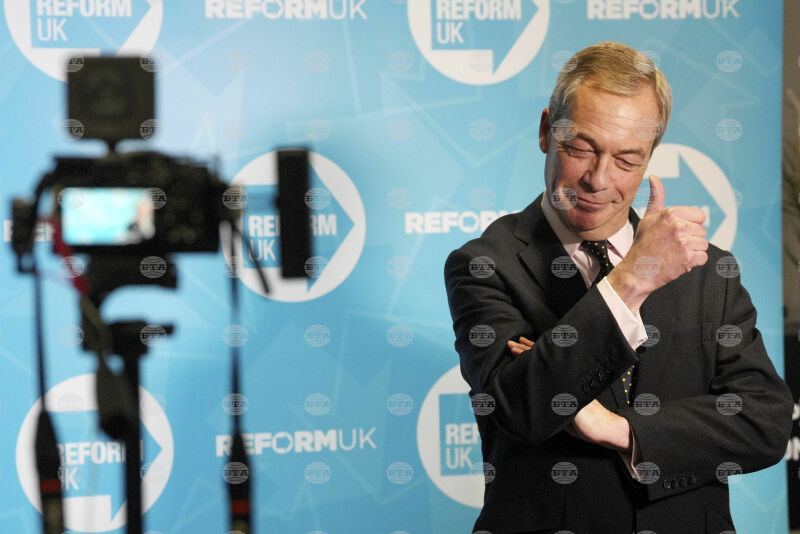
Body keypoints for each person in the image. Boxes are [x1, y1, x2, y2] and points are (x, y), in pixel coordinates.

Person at [444, 41, 793, 534]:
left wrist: (619, 429)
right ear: (546, 131)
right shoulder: (485, 264)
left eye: (627, 160)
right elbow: (523, 407)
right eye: (580, 148)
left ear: (650, 157)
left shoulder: (709, 270)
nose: (598, 179)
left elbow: (765, 423)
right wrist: (633, 279)